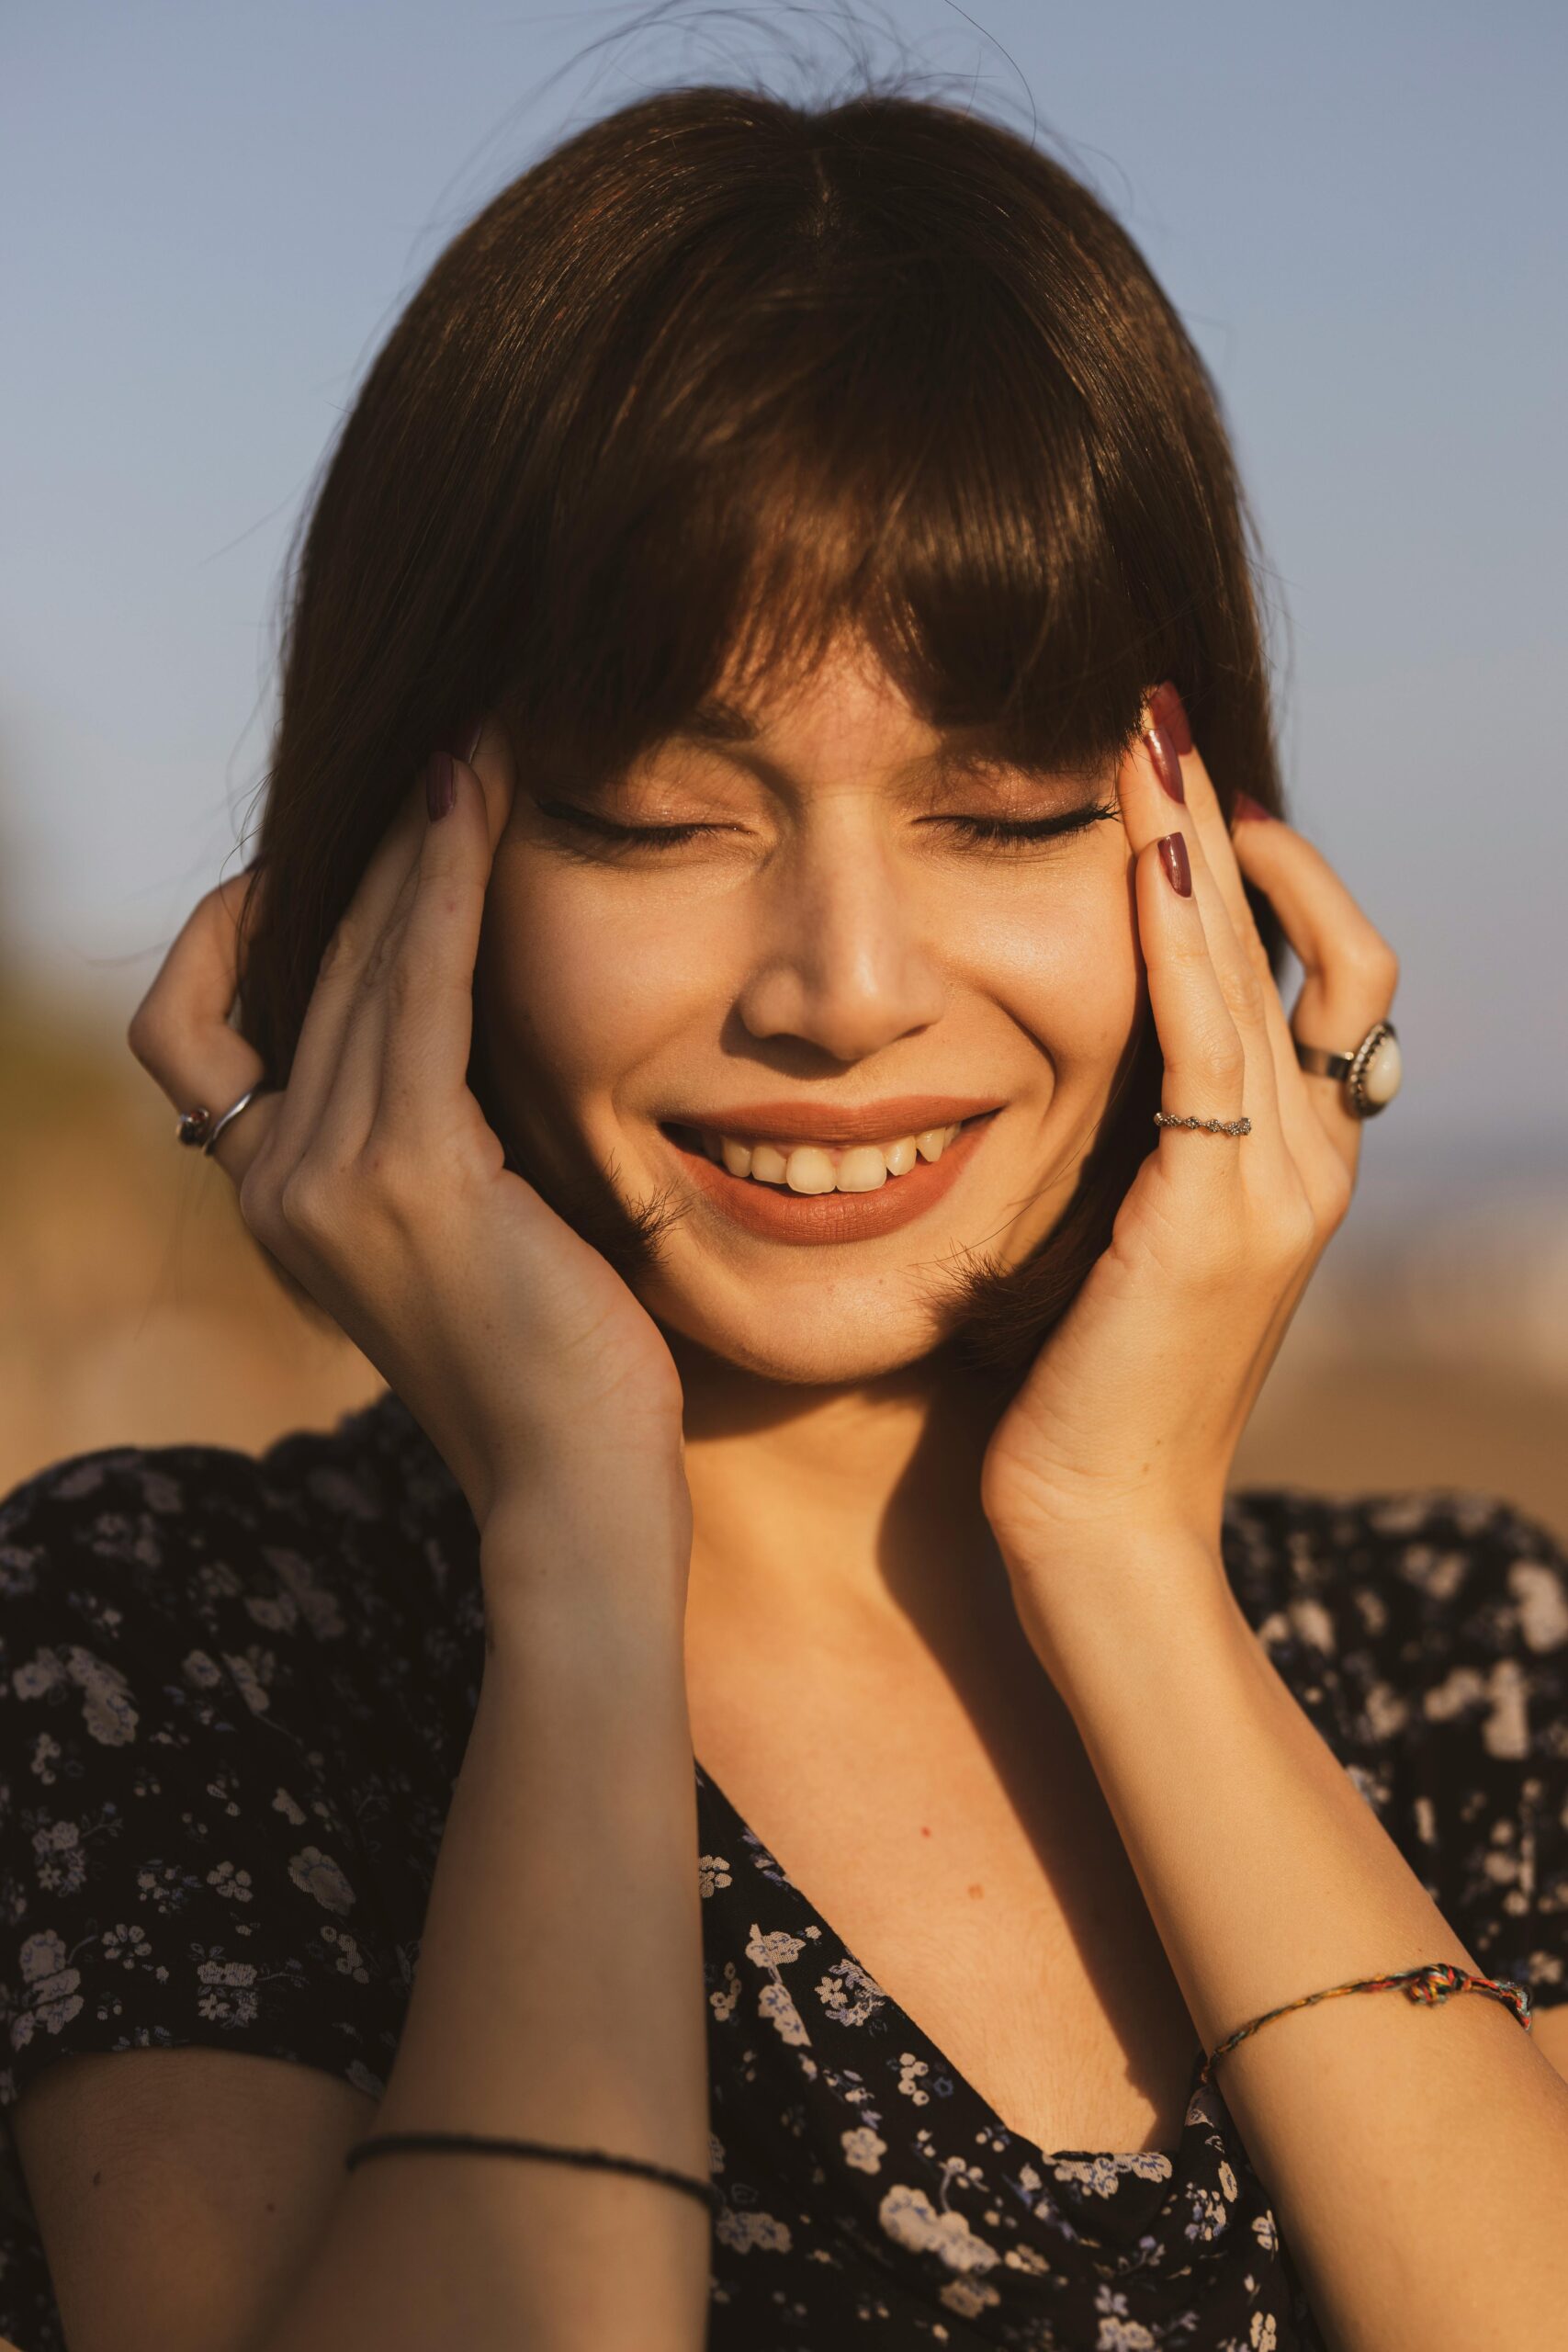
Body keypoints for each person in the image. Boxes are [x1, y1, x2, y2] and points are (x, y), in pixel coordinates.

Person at [0, 76, 1564, 2352]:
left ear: (1198, 867)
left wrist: (1121, 1542)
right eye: (655, 817)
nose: (841, 989)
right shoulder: (167, 1645)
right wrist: (578, 1556)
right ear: (410, 870)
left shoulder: (1466, 1652)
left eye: (1001, 810)